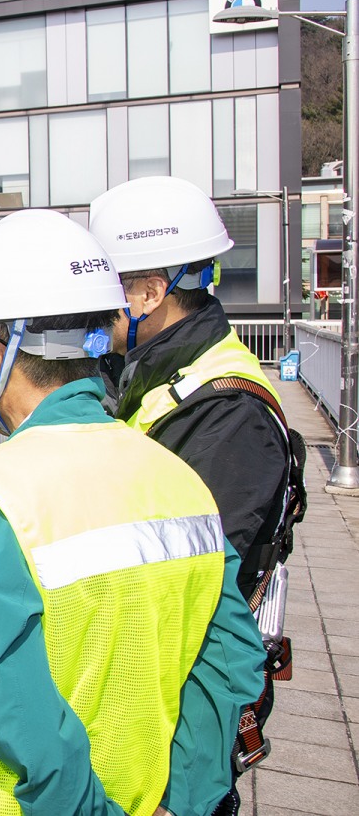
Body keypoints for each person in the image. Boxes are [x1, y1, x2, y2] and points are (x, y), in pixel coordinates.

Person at [0, 209, 267, 816]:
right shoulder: (177, 477)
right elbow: (234, 661)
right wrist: (182, 800)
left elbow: (17, 717)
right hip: (151, 794)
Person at [90, 177, 301, 808]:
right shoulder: (166, 379)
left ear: (151, 292)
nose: (91, 310)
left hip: (178, 717)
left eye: (106, 289)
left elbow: (190, 594)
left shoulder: (226, 415)